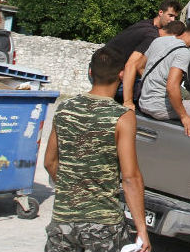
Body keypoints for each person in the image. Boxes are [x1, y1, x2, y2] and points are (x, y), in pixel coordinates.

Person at [44, 46, 151, 252]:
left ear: (90, 72)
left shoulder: (65, 109)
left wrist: (72, 191)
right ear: (121, 74)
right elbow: (130, 178)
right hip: (103, 226)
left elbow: (49, 162)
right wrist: (142, 230)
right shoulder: (121, 117)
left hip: (63, 223)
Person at [138, 17, 190, 136]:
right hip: (159, 107)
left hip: (144, 102)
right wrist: (184, 117)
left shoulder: (159, 41)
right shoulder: (183, 52)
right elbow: (172, 87)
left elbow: (139, 66)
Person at [105, 0, 182, 110]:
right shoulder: (152, 35)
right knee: (156, 92)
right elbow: (131, 65)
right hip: (108, 75)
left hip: (102, 69)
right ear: (160, 12)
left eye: (175, 17)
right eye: (170, 15)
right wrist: (128, 102)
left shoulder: (146, 23)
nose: (172, 19)